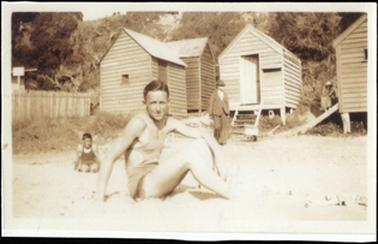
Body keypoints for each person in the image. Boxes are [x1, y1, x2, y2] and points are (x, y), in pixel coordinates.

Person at [98, 80, 230, 202]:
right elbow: (109, 157)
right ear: (145, 104)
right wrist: (99, 198)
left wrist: (219, 158)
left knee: (200, 143)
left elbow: (203, 135)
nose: (158, 108)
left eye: (161, 103)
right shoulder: (138, 124)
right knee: (189, 155)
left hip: (161, 183)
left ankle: (212, 182)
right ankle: (230, 193)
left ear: (168, 102)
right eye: (153, 103)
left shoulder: (168, 123)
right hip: (142, 188)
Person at [208, 79, 230, 145]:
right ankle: (216, 138)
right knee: (217, 126)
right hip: (216, 112)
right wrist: (210, 113)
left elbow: (227, 103)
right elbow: (210, 103)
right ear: (218, 86)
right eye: (221, 86)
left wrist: (228, 112)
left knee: (224, 127)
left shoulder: (225, 94)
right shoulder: (214, 93)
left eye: (223, 86)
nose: (222, 87)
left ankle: (223, 141)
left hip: (224, 112)